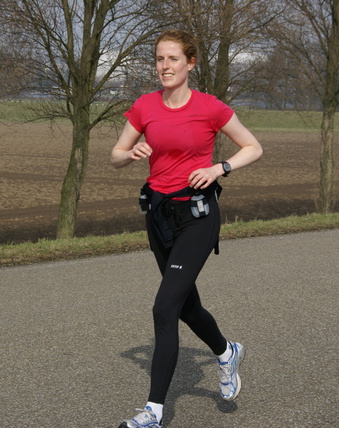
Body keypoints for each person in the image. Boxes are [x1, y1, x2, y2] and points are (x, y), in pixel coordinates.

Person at [110, 29, 263, 428]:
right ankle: (227, 352)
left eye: (173, 59)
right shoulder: (145, 106)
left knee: (164, 307)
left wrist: (218, 168)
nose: (165, 67)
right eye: (160, 59)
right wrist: (131, 153)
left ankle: (153, 412)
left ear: (190, 63)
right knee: (184, 305)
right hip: (158, 215)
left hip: (197, 217)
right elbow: (115, 155)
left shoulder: (210, 108)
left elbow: (253, 147)